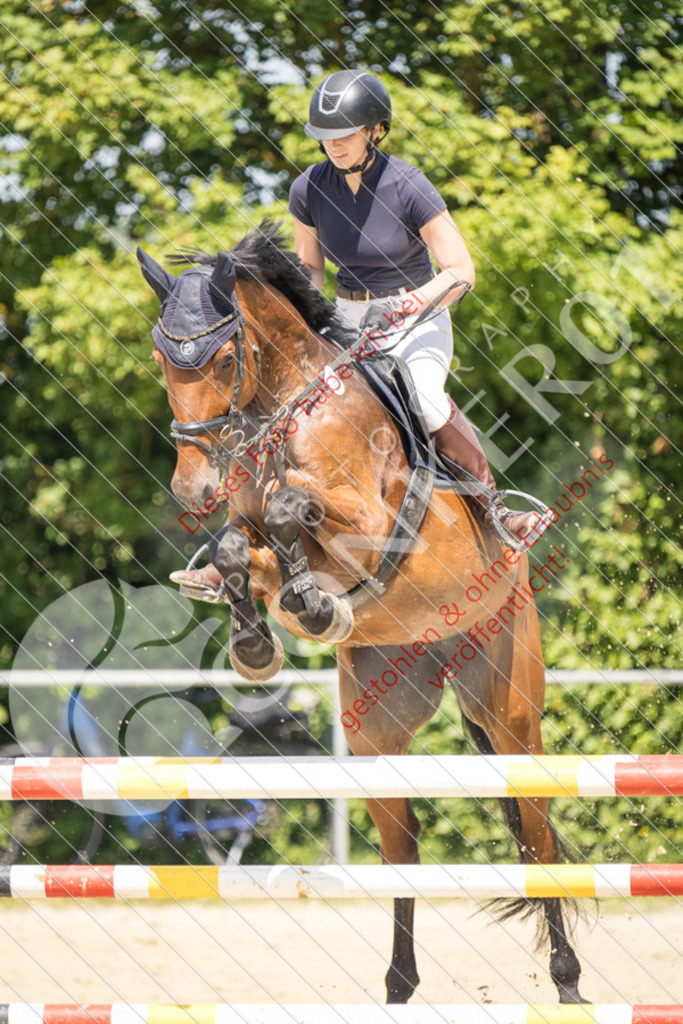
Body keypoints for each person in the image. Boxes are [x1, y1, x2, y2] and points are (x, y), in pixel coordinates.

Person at [290, 68, 547, 548]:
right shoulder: (308, 189)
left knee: (426, 401)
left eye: (344, 134)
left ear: (375, 130)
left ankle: (495, 512)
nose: (333, 145)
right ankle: (246, 541)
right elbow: (311, 268)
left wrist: (409, 304)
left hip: (416, 317)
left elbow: (460, 270)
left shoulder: (408, 185)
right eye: (325, 136)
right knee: (294, 410)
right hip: (347, 320)